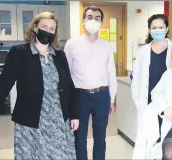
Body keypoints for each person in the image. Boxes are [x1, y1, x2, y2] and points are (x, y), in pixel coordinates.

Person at [0, 11, 79, 159]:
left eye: (52, 29)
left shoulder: (59, 55)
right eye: (44, 26)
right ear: (35, 28)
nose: (48, 31)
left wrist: (74, 115)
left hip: (59, 121)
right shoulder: (19, 52)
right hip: (30, 122)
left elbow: (69, 86)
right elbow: (4, 85)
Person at [64, 6, 117, 160]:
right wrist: (68, 101)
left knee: (100, 138)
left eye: (97, 18)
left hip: (102, 95)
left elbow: (111, 73)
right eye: (89, 17)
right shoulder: (72, 44)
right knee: (79, 138)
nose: (93, 20)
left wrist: (111, 99)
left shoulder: (106, 45)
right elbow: (66, 75)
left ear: (101, 22)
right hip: (80, 96)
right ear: (83, 20)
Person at [131, 14, 172, 138]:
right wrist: (136, 98)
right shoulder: (143, 51)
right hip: (146, 101)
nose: (157, 30)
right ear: (149, 30)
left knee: (166, 139)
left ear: (166, 29)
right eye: (154, 28)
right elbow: (136, 76)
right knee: (148, 139)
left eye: (161, 27)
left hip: (167, 102)